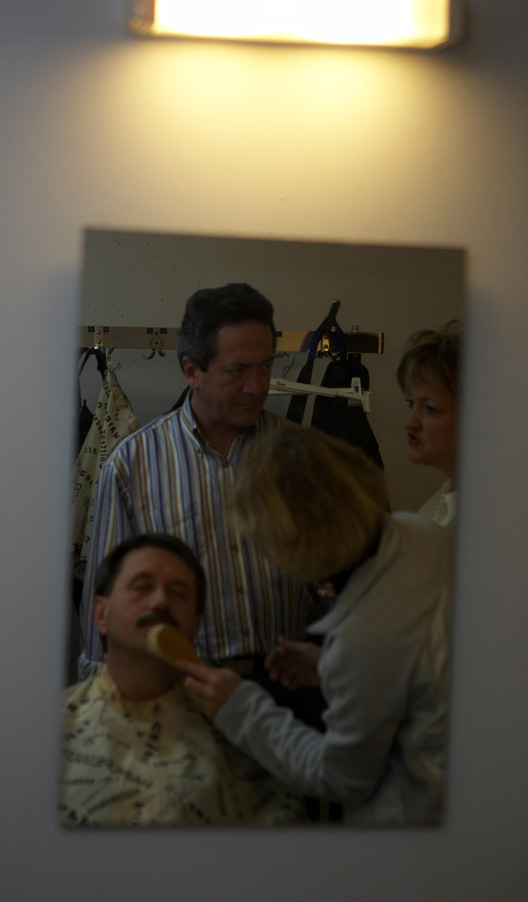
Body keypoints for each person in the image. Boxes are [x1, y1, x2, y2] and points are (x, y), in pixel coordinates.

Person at [178, 426, 452, 827]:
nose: (263, 552)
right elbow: (415, 667)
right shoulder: (421, 532)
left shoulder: (361, 640)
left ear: (302, 541)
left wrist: (241, 708)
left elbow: (342, 778)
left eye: (265, 541)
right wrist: (329, 667)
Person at [77, 283, 326, 724]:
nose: (256, 387)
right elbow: (107, 605)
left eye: (265, 367)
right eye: (237, 371)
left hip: (289, 697)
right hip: (178, 697)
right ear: (192, 370)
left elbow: (338, 586)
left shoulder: (304, 457)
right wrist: (108, 714)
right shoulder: (132, 465)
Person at [59, 533, 305, 827]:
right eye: (142, 587)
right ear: (101, 614)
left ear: (195, 625)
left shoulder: (239, 734)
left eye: (178, 592)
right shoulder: (46, 731)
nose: (161, 601)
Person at [397, 322, 462, 528]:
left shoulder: (503, 515)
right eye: (411, 403)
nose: (409, 423)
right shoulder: (439, 504)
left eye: (430, 408)